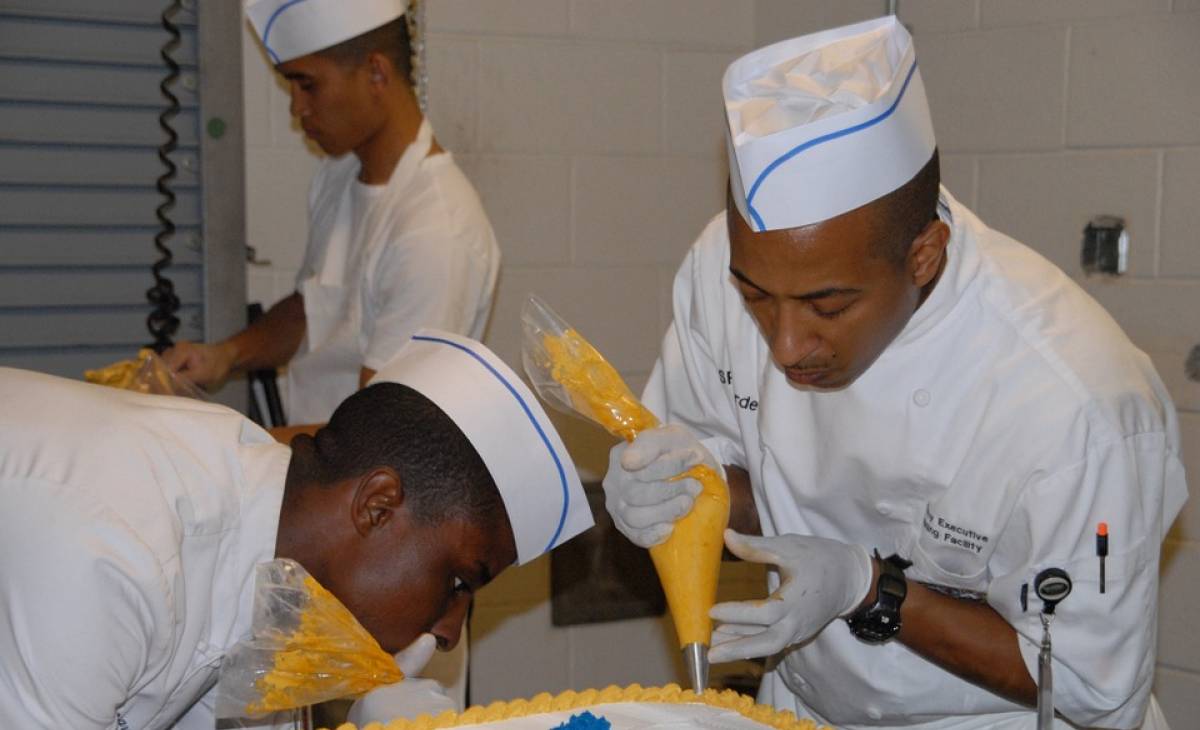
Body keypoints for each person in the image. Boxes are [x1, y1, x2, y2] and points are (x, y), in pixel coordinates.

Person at [602, 16, 1186, 730]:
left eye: (827, 306)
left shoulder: (1074, 403)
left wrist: (868, 588)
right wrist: (686, 489)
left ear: (924, 256)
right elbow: (752, 484)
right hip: (810, 708)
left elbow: (1089, 684)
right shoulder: (716, 271)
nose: (786, 345)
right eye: (756, 297)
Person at [0, 330, 592, 729]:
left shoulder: (270, 565)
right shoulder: (121, 547)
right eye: (458, 583)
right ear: (377, 506)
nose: (448, 634)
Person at [165, 0, 500, 427]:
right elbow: (312, 309)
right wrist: (223, 356)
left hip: (368, 464)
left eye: (307, 85)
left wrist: (227, 446)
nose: (297, 109)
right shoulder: (338, 176)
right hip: (318, 455)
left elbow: (379, 434)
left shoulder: (435, 231)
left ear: (376, 73)